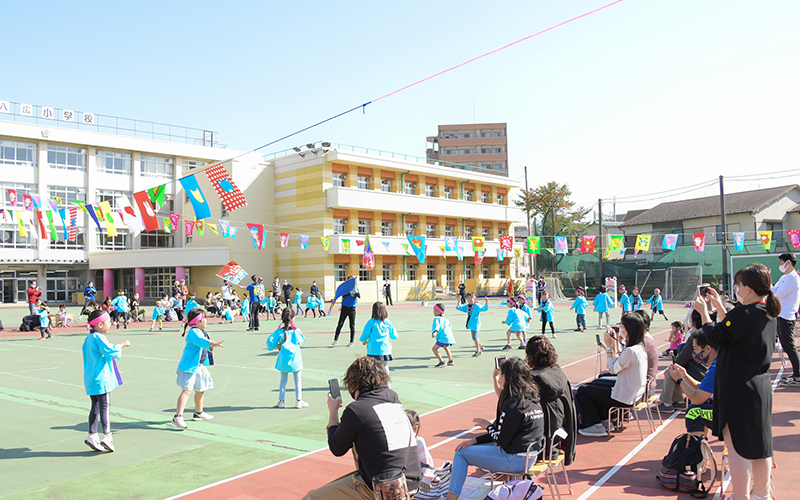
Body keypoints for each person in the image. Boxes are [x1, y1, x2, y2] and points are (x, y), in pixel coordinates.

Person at [697, 267, 776, 500]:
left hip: (738, 389)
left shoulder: (745, 315)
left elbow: (716, 336)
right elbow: (732, 330)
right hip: (758, 388)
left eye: (739, 285)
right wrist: (720, 306)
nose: (737, 289)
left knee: (737, 448)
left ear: (748, 289)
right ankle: (761, 494)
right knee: (761, 447)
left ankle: (740, 495)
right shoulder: (766, 312)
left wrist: (704, 313)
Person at [305, 356, 421, 499]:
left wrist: (333, 411)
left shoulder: (356, 410)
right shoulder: (394, 401)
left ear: (355, 383)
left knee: (311, 498)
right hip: (410, 483)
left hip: (385, 487)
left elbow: (337, 448)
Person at [447, 358, 545, 499]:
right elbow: (504, 431)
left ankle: (451, 498)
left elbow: (501, 440)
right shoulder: (531, 399)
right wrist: (476, 440)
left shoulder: (512, 405)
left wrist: (487, 426)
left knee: (461, 454)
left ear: (508, 377)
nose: (499, 378)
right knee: (472, 447)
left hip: (516, 460)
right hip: (530, 455)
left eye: (501, 374)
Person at [576, 313, 647, 437]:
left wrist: (609, 347)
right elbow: (620, 362)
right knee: (595, 385)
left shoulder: (631, 351)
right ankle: (606, 421)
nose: (620, 328)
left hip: (625, 397)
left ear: (629, 329)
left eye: (622, 326)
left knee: (583, 390)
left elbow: (613, 369)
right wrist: (614, 343)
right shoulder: (639, 347)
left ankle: (595, 425)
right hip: (632, 393)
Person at [82, 309, 130, 452]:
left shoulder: (88, 339)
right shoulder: (99, 338)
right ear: (100, 324)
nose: (111, 324)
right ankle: (107, 436)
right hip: (100, 379)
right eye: (109, 322)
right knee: (105, 407)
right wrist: (122, 344)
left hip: (91, 378)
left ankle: (92, 434)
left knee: (95, 407)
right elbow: (109, 350)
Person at [524, 336, 577, 465]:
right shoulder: (558, 371)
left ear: (530, 356)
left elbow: (512, 406)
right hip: (555, 441)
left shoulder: (534, 378)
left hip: (538, 447)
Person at [172, 309, 224, 429]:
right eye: (203, 319)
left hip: (199, 366)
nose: (206, 321)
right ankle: (178, 416)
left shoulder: (201, 331)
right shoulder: (194, 332)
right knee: (187, 390)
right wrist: (214, 344)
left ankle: (198, 412)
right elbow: (202, 342)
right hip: (189, 367)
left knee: (201, 389)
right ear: (197, 322)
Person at [667, 329, 716, 437]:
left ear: (708, 348)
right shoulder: (718, 363)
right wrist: (685, 376)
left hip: (733, 413)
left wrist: (680, 380)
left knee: (693, 412)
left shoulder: (715, 369)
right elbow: (702, 389)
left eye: (695, 349)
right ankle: (703, 442)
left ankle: (697, 449)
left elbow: (697, 398)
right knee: (706, 402)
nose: (694, 353)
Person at [267, 307, 308, 409]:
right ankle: (299, 401)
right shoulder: (296, 331)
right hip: (295, 360)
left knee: (283, 380)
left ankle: (281, 401)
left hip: (283, 360)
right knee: (298, 380)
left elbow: (270, 342)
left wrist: (277, 345)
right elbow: (301, 340)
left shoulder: (279, 332)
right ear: (293, 318)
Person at [772, 252, 800, 387]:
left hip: (786, 315)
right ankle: (796, 373)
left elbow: (777, 293)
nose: (780, 265)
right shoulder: (785, 277)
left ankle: (798, 375)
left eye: (781, 262)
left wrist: (772, 289)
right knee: (786, 345)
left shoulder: (792, 278)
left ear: (787, 262)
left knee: (789, 346)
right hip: (782, 315)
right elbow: (774, 289)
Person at [360, 301, 398, 374]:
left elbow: (365, 333)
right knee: (384, 365)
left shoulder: (371, 322)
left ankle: (374, 382)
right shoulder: (387, 322)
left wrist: (364, 340)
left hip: (373, 349)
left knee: (372, 366)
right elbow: (394, 335)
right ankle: (386, 382)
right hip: (385, 349)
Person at [333, 279, 360, 346]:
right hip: (344, 308)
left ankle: (351, 341)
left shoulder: (356, 289)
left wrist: (356, 292)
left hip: (352, 309)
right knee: (340, 324)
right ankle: (335, 340)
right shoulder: (345, 290)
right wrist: (350, 293)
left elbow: (359, 296)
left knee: (352, 325)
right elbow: (343, 295)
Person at [431, 303, 455, 367]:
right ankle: (451, 360)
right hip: (448, 337)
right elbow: (449, 327)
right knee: (446, 347)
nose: (433, 311)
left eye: (434, 310)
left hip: (443, 338)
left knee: (434, 349)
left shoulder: (437, 319)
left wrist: (435, 333)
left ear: (438, 311)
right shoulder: (446, 320)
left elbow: (437, 326)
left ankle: (442, 361)